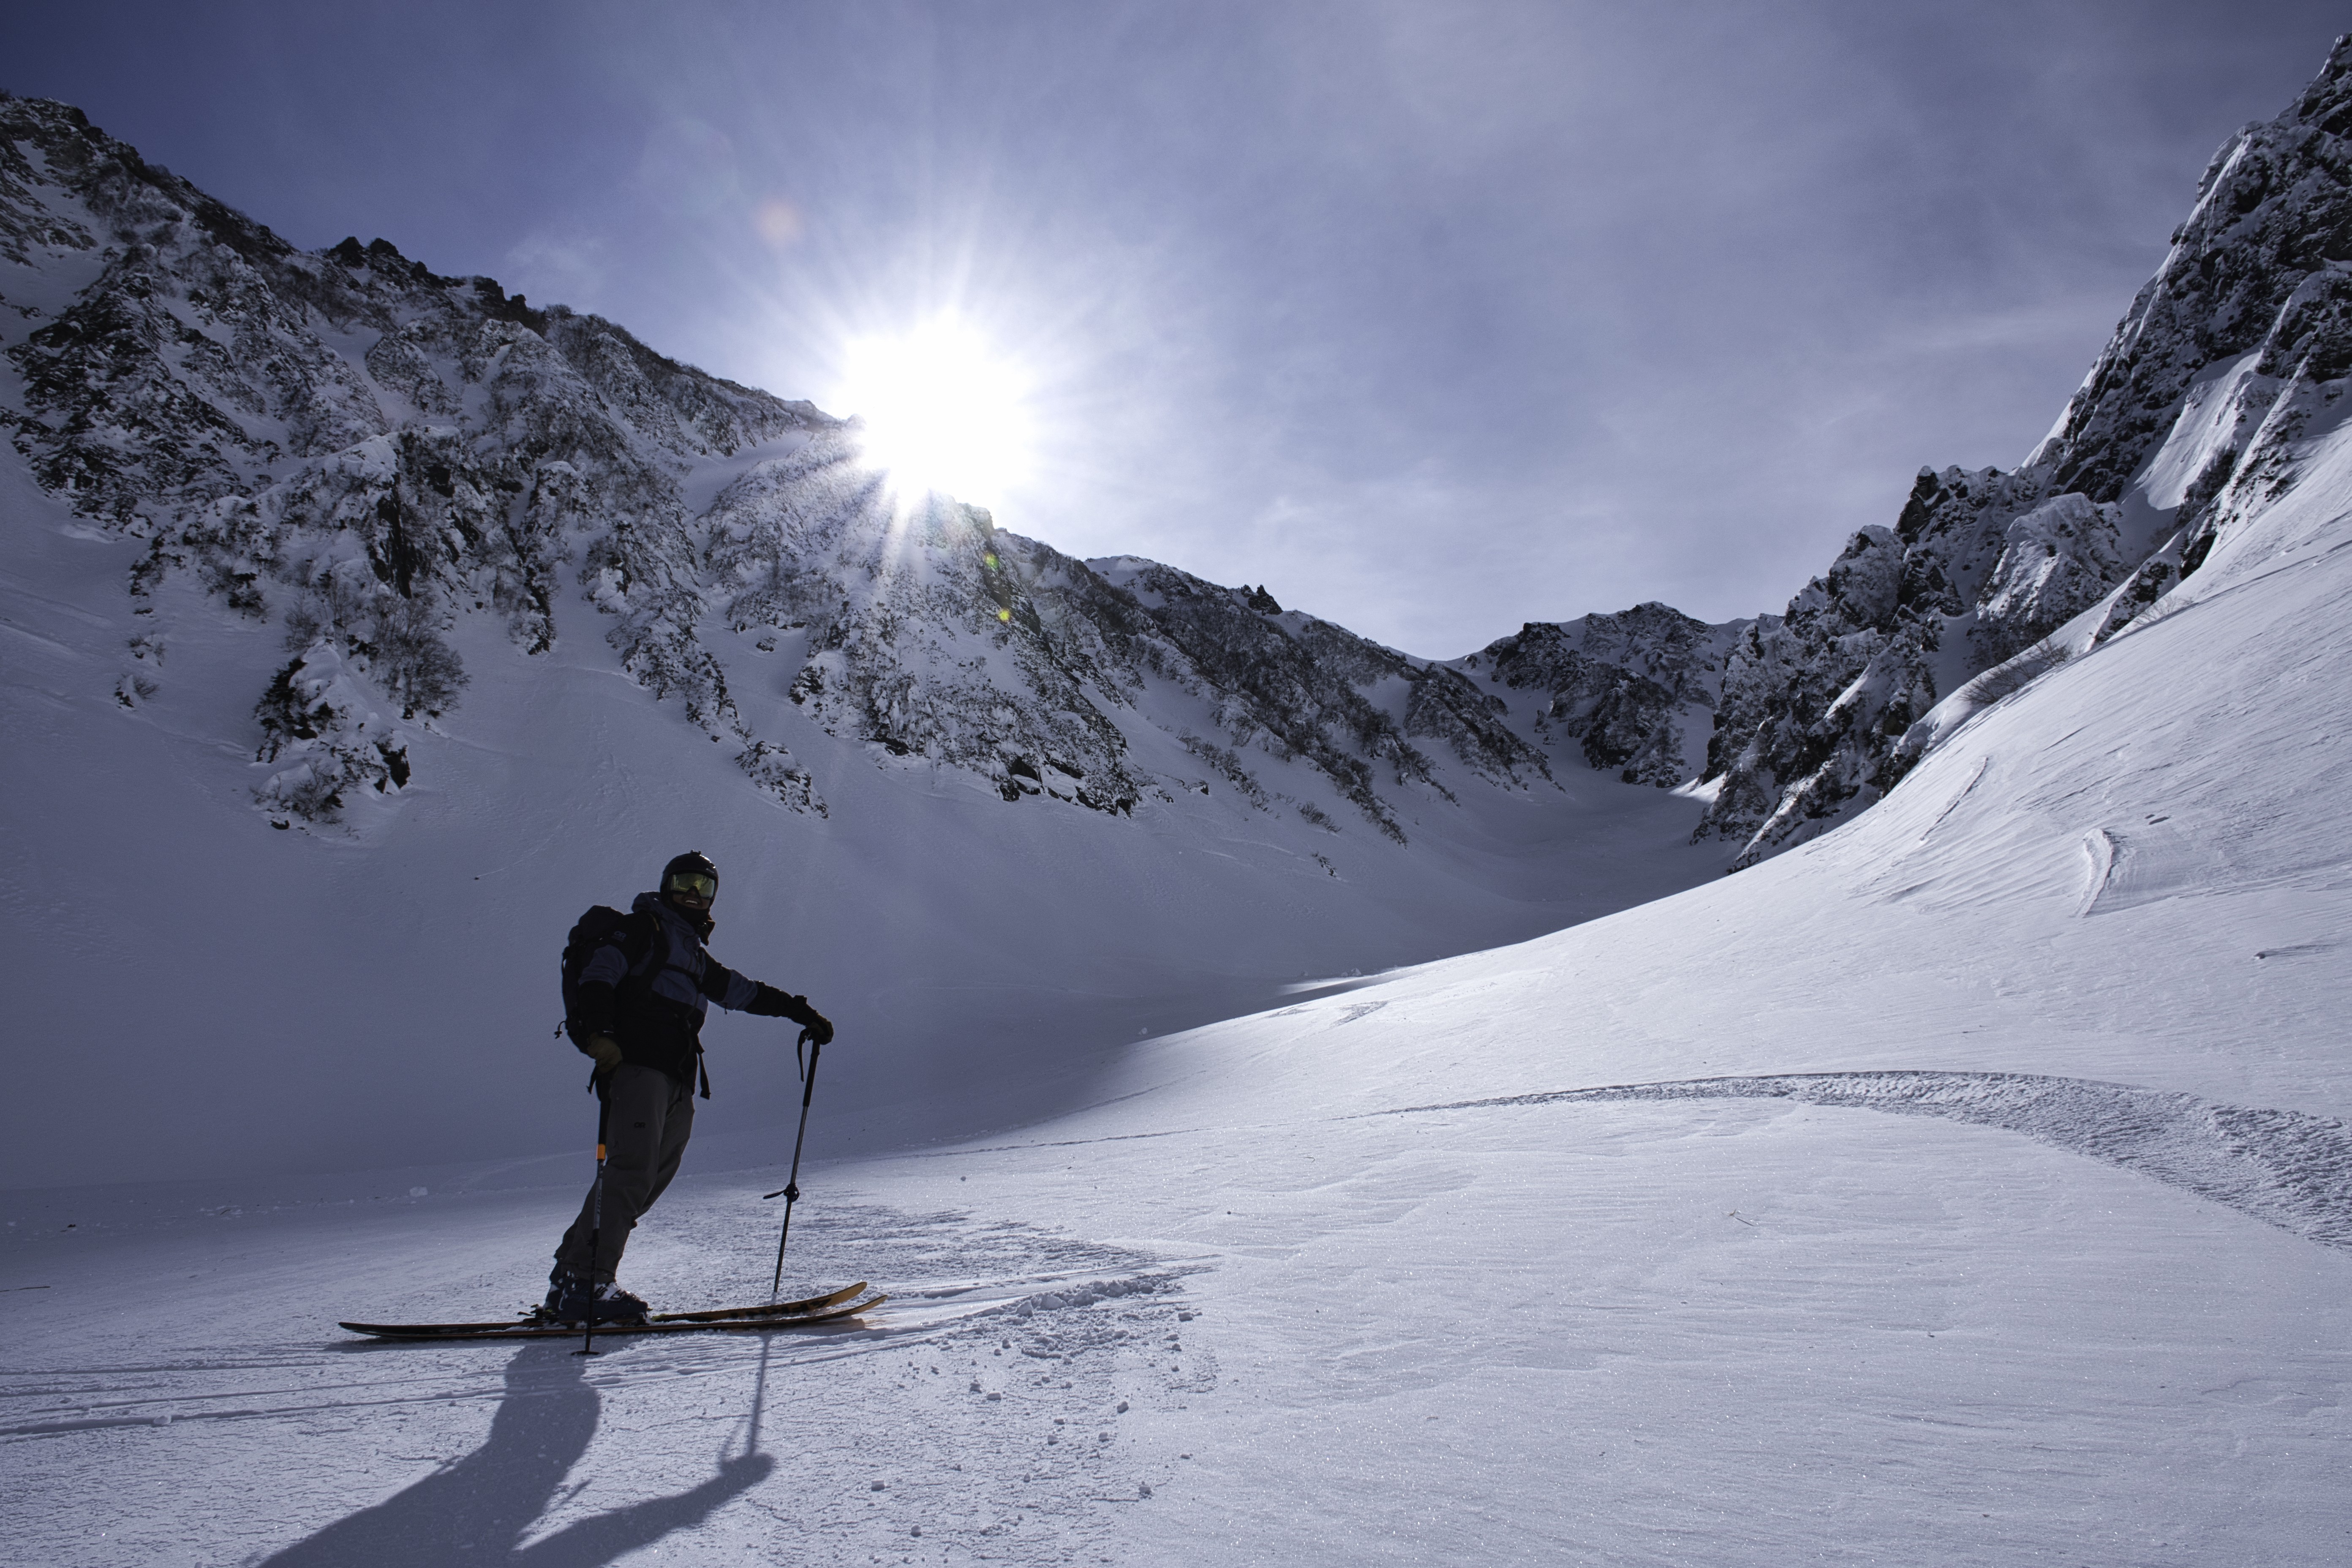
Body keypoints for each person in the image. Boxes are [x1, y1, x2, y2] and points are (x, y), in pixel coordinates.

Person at [545, 851, 832, 1324]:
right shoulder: (642, 931)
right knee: (630, 1171)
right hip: (638, 1068)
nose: (694, 894)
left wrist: (800, 1012)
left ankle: (570, 1277)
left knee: (651, 1175)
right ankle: (589, 1282)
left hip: (677, 1077)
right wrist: (599, 1036)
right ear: (665, 885)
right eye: (684, 883)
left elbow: (743, 991)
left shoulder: (693, 955)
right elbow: (599, 975)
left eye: (704, 886)